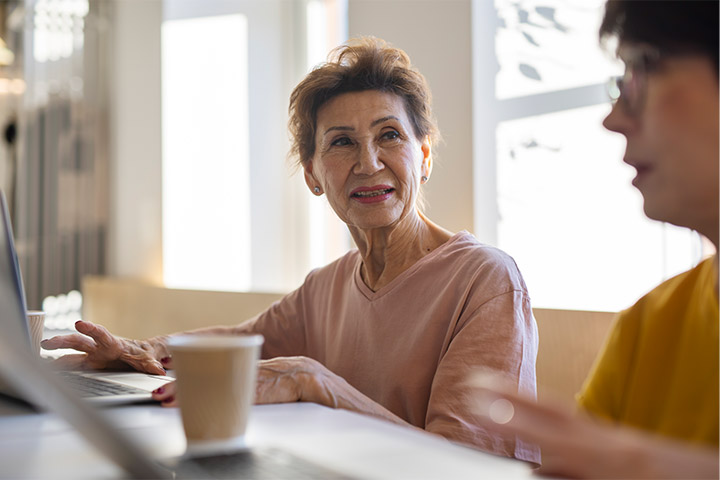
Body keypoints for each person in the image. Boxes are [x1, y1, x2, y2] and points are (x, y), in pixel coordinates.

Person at [42, 37, 540, 464]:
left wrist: (314, 381)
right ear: (312, 176)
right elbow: (236, 346)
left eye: (389, 135)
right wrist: (139, 351)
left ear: (424, 156)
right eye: (341, 142)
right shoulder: (326, 286)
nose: (368, 163)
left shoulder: (485, 280)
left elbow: (467, 467)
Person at [469, 1, 718, 478]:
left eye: (642, 71)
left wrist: (637, 462)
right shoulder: (645, 330)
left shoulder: (483, 275)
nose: (613, 119)